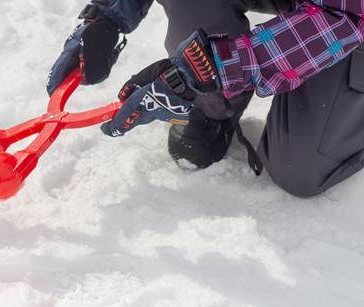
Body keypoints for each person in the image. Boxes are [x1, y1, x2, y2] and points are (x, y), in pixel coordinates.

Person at [47, 0, 364, 197]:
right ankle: (216, 103)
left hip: (349, 15)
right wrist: (107, 16)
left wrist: (219, 66)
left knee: (299, 171)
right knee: (201, 128)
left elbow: (347, 16)